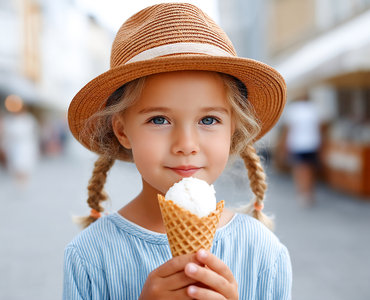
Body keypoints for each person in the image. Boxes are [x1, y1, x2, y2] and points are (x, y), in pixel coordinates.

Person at [63, 3, 291, 299]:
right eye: (159, 119)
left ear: (232, 128)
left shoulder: (263, 253)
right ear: (122, 131)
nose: (186, 144)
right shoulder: (89, 258)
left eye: (209, 120)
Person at [283, 96, 321, 207]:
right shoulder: (314, 108)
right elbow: (320, 128)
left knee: (300, 169)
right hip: (312, 143)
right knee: (310, 169)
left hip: (298, 143)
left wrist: (285, 145)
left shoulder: (293, 109)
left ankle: (303, 192)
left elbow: (288, 129)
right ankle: (308, 192)